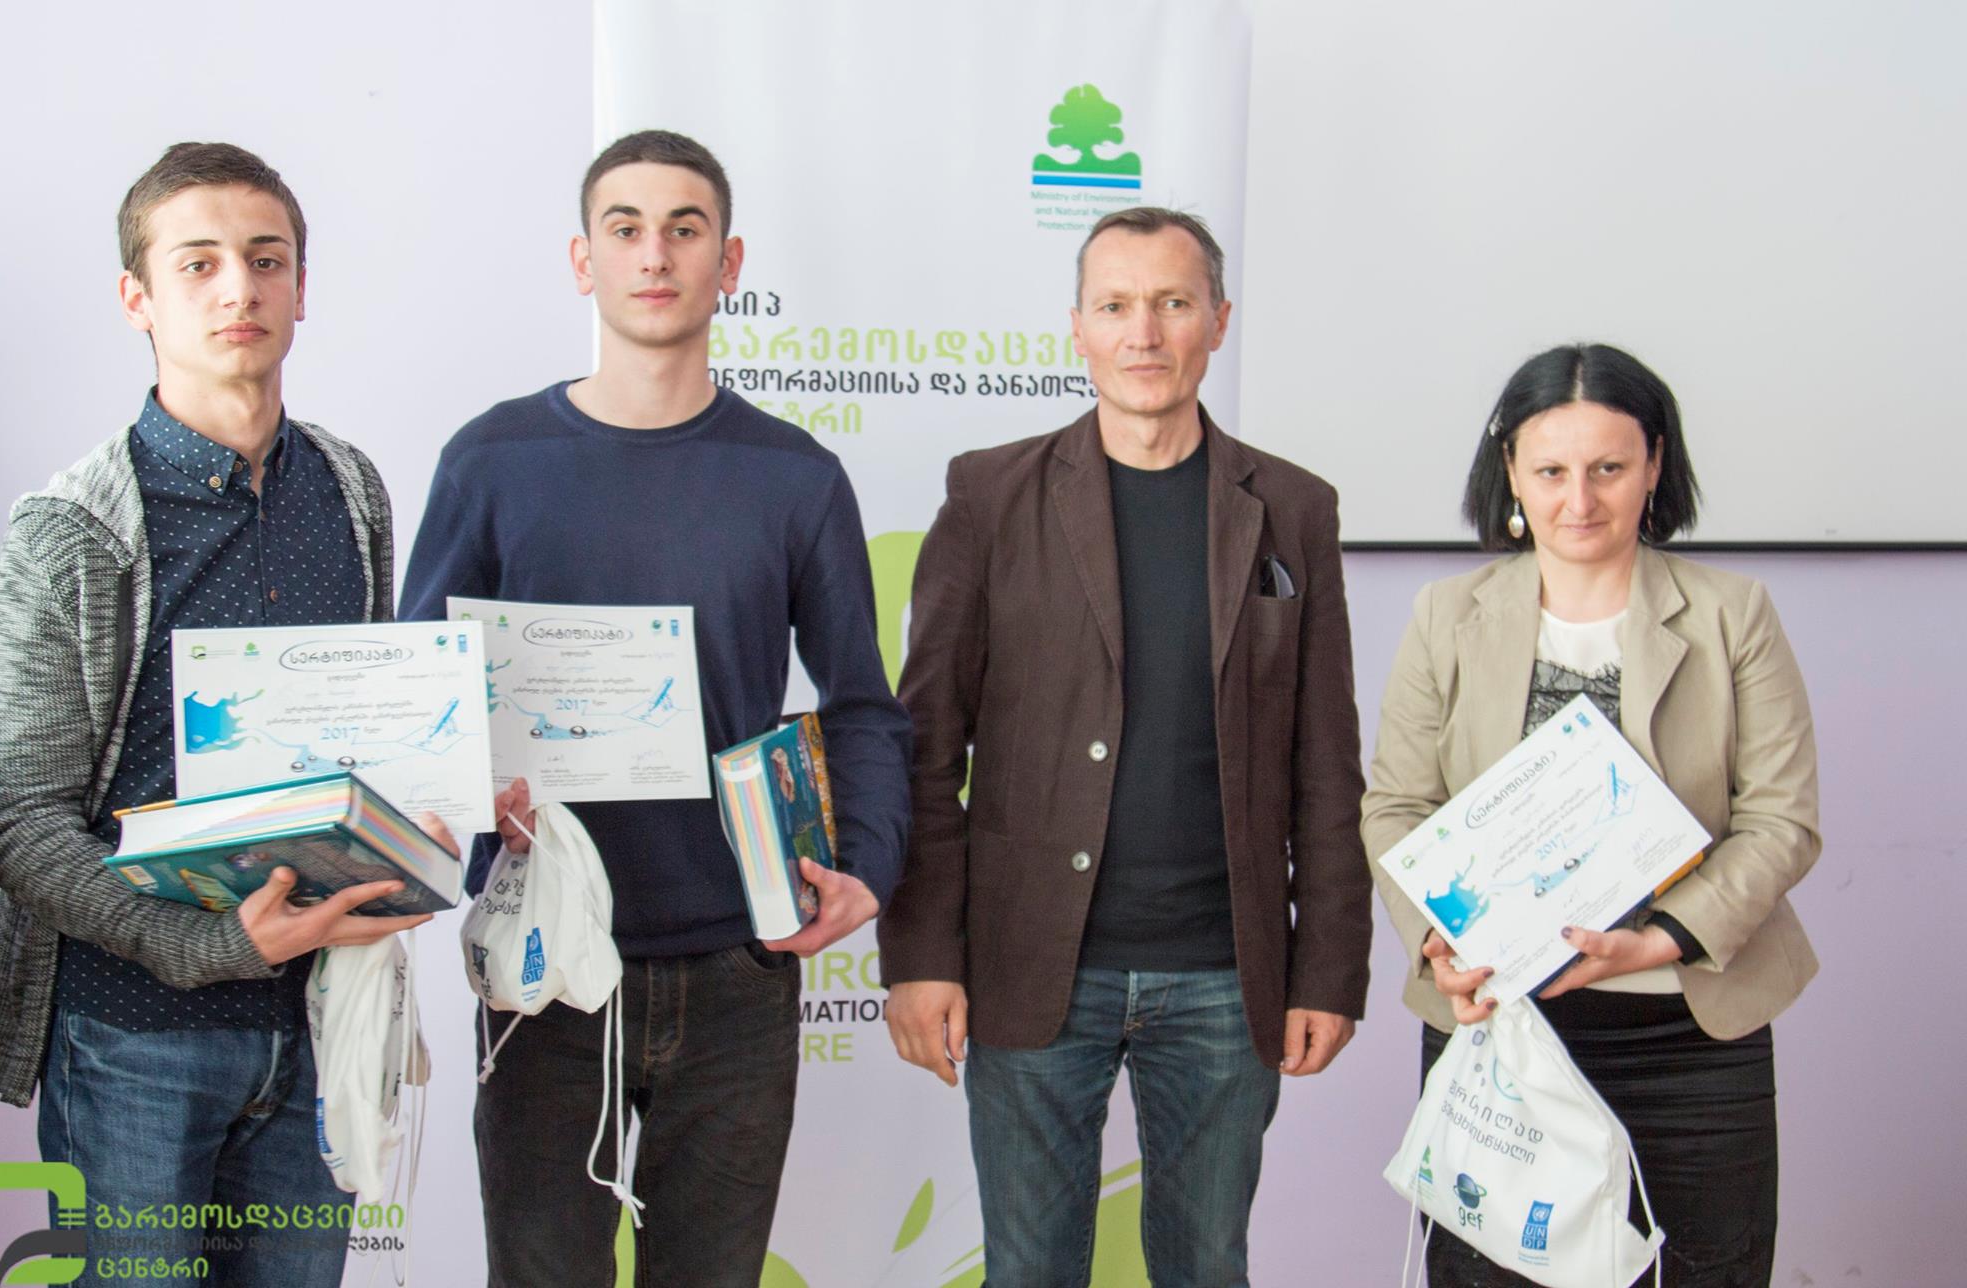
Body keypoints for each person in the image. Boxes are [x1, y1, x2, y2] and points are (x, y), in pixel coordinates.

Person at [398, 129, 911, 1287]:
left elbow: (862, 707)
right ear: (582, 260)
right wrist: (464, 802)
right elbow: (419, 702)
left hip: (736, 962)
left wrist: (868, 865)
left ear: (728, 263)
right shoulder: (490, 461)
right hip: (542, 958)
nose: (654, 254)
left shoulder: (794, 476)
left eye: (684, 229)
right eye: (624, 228)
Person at [0, 142, 441, 1287]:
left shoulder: (350, 487)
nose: (240, 288)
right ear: (138, 297)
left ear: (301, 288)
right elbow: (20, 822)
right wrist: (212, 945)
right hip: (131, 1036)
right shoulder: (70, 527)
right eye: (199, 263)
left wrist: (434, 801)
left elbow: (358, 739)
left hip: (317, 1023)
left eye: (267, 260)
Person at [879, 207, 1374, 1288]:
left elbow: (1327, 766)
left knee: (1206, 1268)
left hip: (1225, 974)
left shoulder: (1292, 508)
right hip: (1030, 964)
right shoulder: (990, 495)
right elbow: (925, 747)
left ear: (1218, 321)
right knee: (1028, 1272)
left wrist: (1331, 967)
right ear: (1077, 327)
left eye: (1171, 303)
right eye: (1114, 305)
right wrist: (918, 954)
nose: (1142, 332)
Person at [1361, 343, 1820, 1285]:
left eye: (1609, 468)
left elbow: (1782, 820)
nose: (1580, 500)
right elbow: (1397, 807)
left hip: (1692, 1032)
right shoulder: (1447, 615)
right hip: (1499, 1024)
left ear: (1655, 465)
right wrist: (1438, 943)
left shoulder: (1734, 613)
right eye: (1551, 471)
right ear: (1510, 473)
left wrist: (1658, 941)